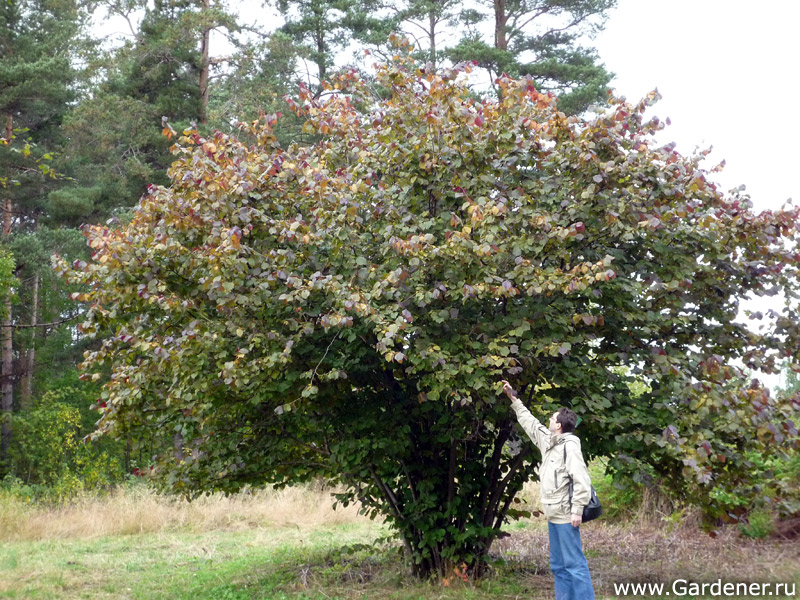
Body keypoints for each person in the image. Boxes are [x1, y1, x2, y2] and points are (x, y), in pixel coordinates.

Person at [501, 380, 595, 600]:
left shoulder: (569, 445)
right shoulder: (550, 441)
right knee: (558, 566)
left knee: (574, 565)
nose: (549, 420)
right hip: (553, 515)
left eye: (552, 419)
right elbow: (531, 424)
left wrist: (577, 509)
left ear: (559, 425)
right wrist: (514, 400)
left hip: (565, 515)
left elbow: (581, 478)